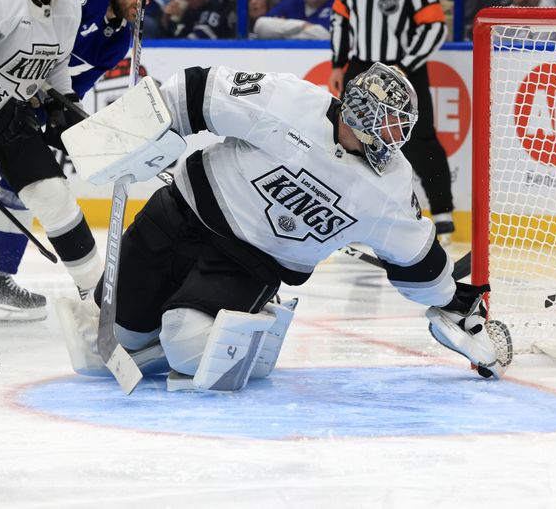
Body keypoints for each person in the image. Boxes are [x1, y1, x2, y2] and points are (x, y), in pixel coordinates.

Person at [56, 63, 513, 391]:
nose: (396, 137)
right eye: (391, 123)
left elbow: (418, 260)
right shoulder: (293, 102)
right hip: (179, 214)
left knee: (190, 350)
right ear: (365, 113)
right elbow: (194, 92)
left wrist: (451, 300)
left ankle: (259, 320)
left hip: (246, 266)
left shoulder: (388, 185)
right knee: (109, 342)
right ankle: (150, 332)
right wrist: (124, 134)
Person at [0, 0, 166, 323]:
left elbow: (61, 71)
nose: (145, 1)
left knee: (30, 183)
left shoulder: (120, 41)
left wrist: (58, 110)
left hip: (14, 104)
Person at [0, 0, 103, 325]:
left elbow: (56, 65)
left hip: (7, 112)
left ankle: (101, 295)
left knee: (51, 192)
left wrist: (62, 104)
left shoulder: (70, 2)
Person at [330, 0, 456, 244]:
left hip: (406, 69)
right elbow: (340, 21)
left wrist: (406, 64)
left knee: (422, 138)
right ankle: (355, 213)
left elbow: (434, 26)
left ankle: (442, 216)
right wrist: (337, 64)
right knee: (353, 138)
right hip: (362, 68)